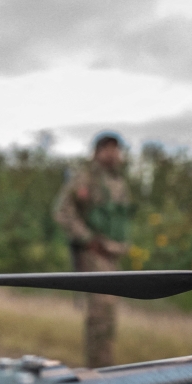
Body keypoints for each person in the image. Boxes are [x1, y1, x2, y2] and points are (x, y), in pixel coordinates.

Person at [53, 131, 133, 368]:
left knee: (109, 316)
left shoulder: (118, 181)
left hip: (113, 255)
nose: (113, 154)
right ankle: (98, 370)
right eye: (108, 148)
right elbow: (62, 211)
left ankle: (106, 366)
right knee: (100, 313)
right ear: (98, 152)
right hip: (95, 253)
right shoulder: (85, 178)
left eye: (116, 149)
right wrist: (87, 238)